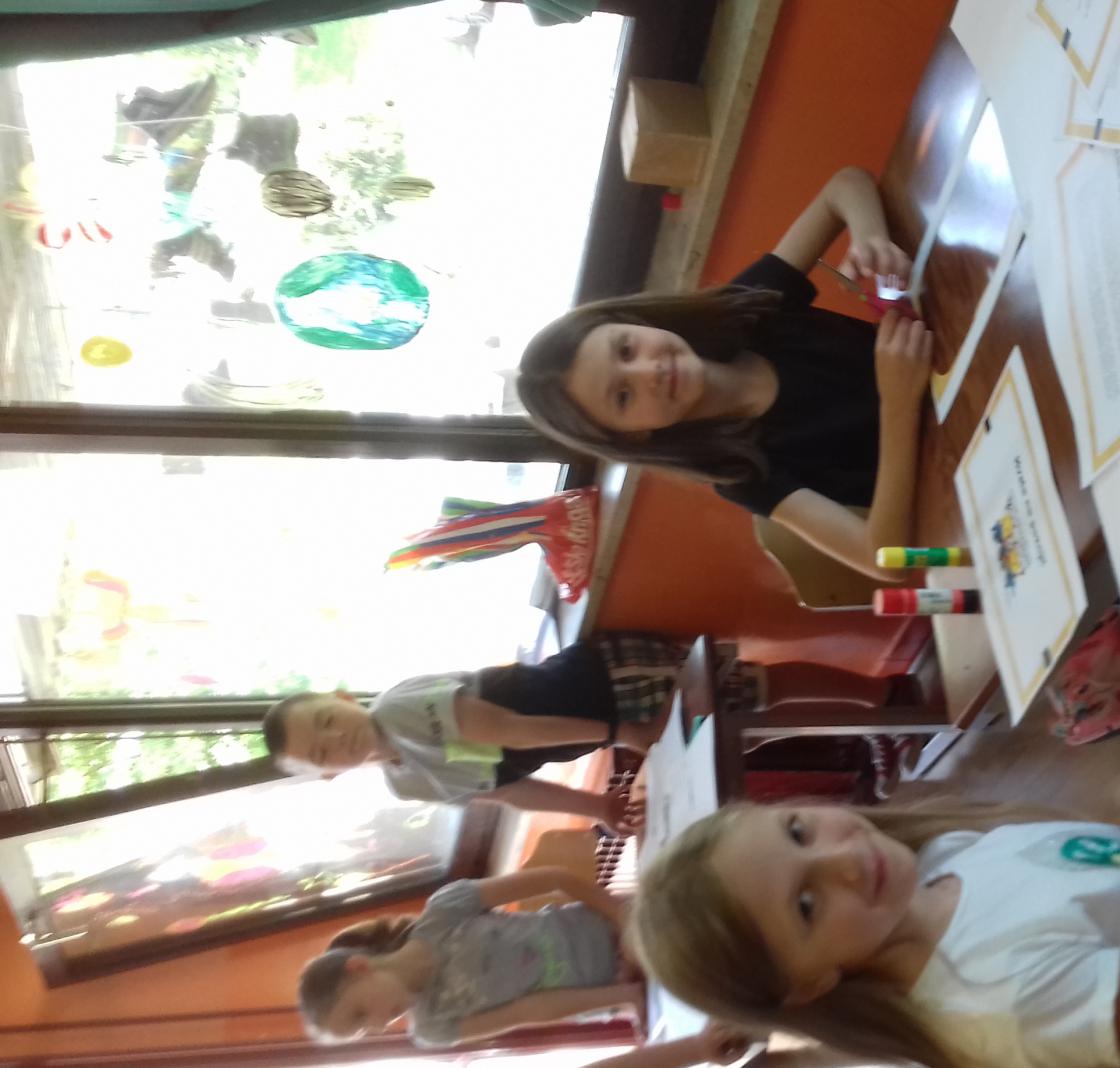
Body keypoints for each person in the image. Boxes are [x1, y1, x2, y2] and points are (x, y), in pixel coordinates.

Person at [628, 802, 1120, 1068]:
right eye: (806, 905)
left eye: (798, 831)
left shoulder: (942, 862)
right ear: (810, 984)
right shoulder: (1000, 999)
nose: (844, 858)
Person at [516, 165, 935, 579]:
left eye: (627, 348)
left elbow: (845, 186)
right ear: (632, 436)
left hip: (953, 365)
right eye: (623, 396)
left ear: (637, 322)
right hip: (950, 469)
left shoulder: (742, 310)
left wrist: (870, 238)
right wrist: (898, 404)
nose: (648, 371)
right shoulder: (740, 473)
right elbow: (886, 560)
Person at [264, 633, 911, 830]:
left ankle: (886, 697)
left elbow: (511, 729)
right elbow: (508, 790)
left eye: (327, 721)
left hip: (604, 683)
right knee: (745, 728)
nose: (336, 740)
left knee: (752, 690)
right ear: (329, 775)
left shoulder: (400, 709)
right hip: (601, 722)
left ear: (340, 699)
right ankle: (879, 723)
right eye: (322, 752)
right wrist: (597, 807)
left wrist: (620, 729)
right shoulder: (408, 785)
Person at [296, 866, 748, 1063]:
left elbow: (554, 878)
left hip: (615, 927)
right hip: (615, 981)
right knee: (731, 986)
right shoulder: (433, 1028)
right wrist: (626, 995)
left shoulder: (443, 911)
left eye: (360, 1013)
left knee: (732, 922)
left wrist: (623, 918)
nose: (377, 1025)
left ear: (360, 967)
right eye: (363, 1030)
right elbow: (529, 1010)